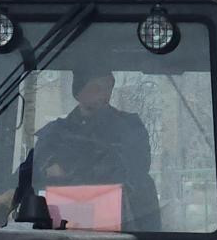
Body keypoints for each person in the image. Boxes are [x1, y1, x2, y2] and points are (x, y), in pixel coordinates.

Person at [14, 64, 160, 230]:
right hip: (61, 230)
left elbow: (136, 167)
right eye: (97, 88)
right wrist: (42, 170)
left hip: (123, 227)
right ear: (79, 92)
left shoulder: (128, 128)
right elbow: (30, 173)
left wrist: (70, 170)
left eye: (108, 87)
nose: (105, 94)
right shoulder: (55, 134)